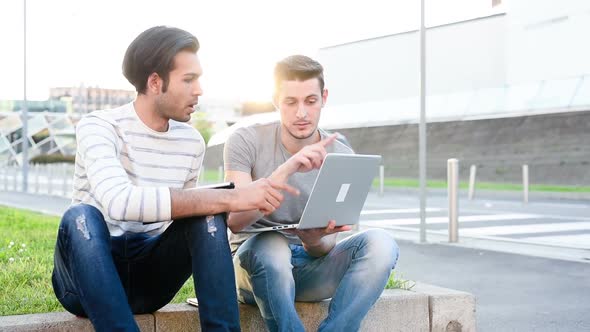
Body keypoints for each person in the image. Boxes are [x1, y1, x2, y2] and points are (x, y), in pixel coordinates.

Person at [51, 26, 294, 332]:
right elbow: (119, 202)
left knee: (205, 212)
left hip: (149, 282)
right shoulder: (99, 126)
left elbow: (189, 216)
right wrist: (232, 196)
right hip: (84, 282)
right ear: (155, 82)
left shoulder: (191, 141)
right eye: (189, 80)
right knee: (80, 217)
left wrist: (243, 201)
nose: (200, 90)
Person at [224, 55, 400, 332]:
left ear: (323, 97)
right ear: (275, 100)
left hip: (308, 269)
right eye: (291, 102)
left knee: (382, 244)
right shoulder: (245, 140)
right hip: (252, 269)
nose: (301, 113)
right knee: (270, 245)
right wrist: (287, 168)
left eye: (310, 101)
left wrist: (313, 241)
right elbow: (234, 219)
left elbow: (325, 248)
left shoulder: (341, 155)